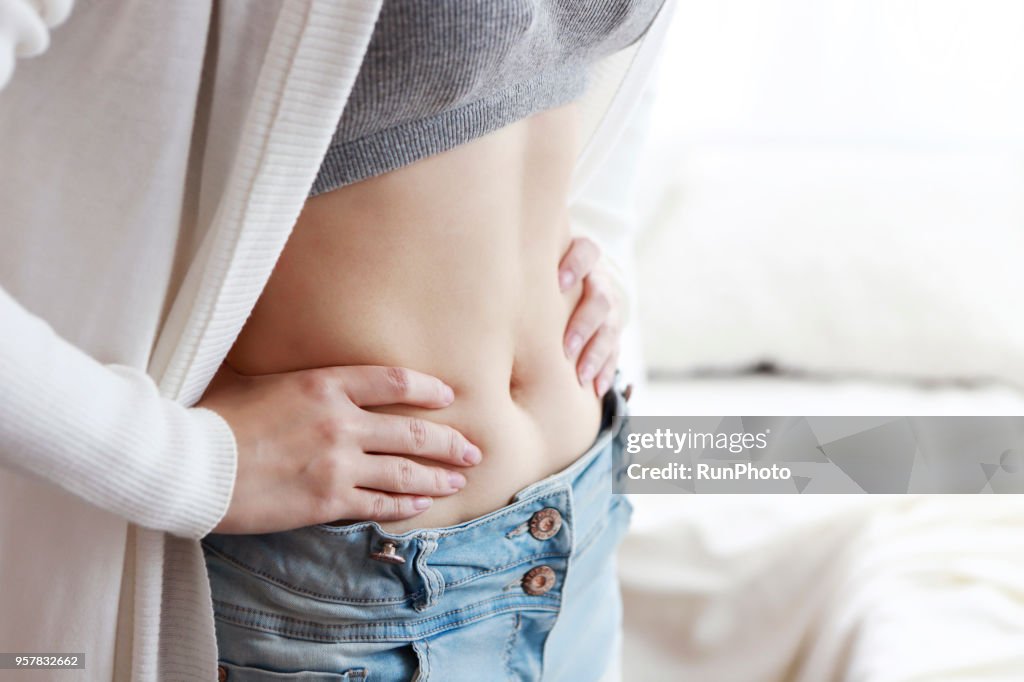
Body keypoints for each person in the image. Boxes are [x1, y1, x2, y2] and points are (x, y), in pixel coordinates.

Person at [0, 1, 674, 679]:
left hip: (581, 529)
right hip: (345, 607)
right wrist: (187, 469)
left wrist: (599, 247)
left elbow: (602, 71)